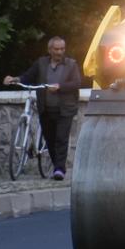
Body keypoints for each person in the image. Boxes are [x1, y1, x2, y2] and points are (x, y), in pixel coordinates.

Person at [5, 36, 84, 181]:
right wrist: (15, 79)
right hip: (46, 108)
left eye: (62, 49)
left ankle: (59, 169)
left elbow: (77, 83)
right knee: (50, 138)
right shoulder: (41, 63)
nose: (59, 52)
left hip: (65, 109)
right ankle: (57, 165)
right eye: (56, 49)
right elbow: (29, 76)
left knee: (61, 138)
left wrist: (60, 87)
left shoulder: (71, 65)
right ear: (49, 50)